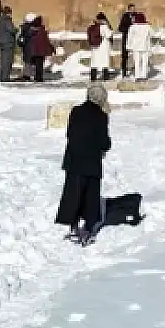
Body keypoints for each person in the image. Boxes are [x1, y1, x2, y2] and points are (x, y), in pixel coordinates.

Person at [56, 82, 111, 244]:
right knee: (90, 196)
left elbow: (69, 133)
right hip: (91, 163)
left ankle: (73, 225)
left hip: (73, 161)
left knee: (73, 194)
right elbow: (104, 142)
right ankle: (88, 227)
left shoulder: (76, 111)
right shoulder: (101, 116)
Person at [126, 10, 153, 80]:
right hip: (145, 46)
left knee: (137, 62)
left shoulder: (133, 27)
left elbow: (129, 37)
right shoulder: (147, 26)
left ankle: (137, 76)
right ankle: (144, 76)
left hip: (136, 47)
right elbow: (152, 34)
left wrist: (128, 46)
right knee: (144, 62)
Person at [27, 16, 54, 82]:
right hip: (41, 51)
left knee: (36, 64)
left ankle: (37, 76)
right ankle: (39, 77)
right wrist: (51, 48)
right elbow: (46, 41)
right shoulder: (42, 30)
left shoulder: (31, 31)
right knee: (40, 65)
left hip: (34, 50)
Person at [87, 11, 113, 81]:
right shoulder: (104, 26)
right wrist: (110, 29)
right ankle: (105, 77)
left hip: (94, 46)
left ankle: (93, 78)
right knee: (105, 62)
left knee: (94, 62)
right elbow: (108, 35)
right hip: (103, 46)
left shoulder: (92, 26)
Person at [0, 6, 17, 82]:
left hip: (1, 42)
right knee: (7, 61)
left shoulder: (0, 20)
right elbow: (11, 30)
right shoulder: (7, 20)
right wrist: (16, 29)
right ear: (8, 13)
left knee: (2, 61)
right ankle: (5, 77)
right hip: (8, 43)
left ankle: (1, 76)